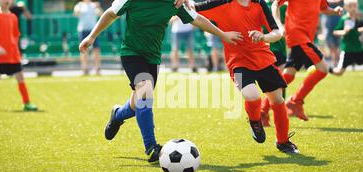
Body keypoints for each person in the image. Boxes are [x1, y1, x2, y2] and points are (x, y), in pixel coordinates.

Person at [79, 0, 242, 162]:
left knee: (140, 101)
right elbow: (110, 13)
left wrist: (222, 34)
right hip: (131, 53)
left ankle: (117, 115)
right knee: (145, 93)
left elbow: (197, 19)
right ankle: (151, 147)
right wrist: (91, 37)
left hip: (153, 57)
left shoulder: (175, 2)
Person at [195, 0, 299, 154]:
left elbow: (277, 33)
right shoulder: (221, 3)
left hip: (263, 59)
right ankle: (255, 121)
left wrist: (263, 37)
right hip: (238, 62)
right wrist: (222, 34)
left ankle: (283, 142)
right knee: (252, 96)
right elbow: (192, 13)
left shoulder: (259, 4)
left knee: (277, 100)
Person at [272, 0, 343, 121]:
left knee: (289, 75)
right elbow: (275, 4)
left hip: (305, 37)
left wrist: (334, 11)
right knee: (323, 69)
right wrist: (279, 26)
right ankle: (295, 101)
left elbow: (323, 8)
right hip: (298, 35)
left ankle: (262, 111)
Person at [0, 0, 38, 112]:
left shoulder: (13, 17)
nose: (6, 1)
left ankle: (27, 103)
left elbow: (16, 35)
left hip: (12, 54)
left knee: (20, 77)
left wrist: (16, 50)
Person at [330, 0, 363, 96]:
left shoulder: (358, 19)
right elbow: (335, 32)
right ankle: (326, 69)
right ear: (346, 7)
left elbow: (362, 28)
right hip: (347, 50)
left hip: (359, 49)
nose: (353, 8)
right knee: (339, 72)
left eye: (354, 5)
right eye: (350, 6)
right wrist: (343, 32)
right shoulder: (344, 19)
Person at [260, 0, 287, 127]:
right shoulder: (262, 5)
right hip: (270, 48)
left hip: (280, 47)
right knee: (279, 82)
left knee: (280, 82)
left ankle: (264, 112)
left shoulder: (284, 6)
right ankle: (263, 111)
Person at [74, 0, 103, 75]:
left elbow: (101, 14)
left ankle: (97, 68)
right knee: (83, 49)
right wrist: (79, 7)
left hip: (94, 30)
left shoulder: (94, 5)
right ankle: (84, 68)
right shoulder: (79, 5)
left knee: (96, 49)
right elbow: (76, 14)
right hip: (83, 30)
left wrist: (98, 7)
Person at [324, 0, 343, 67]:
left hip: (338, 26)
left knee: (337, 47)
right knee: (332, 47)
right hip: (329, 26)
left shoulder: (341, 2)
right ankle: (334, 62)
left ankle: (337, 62)